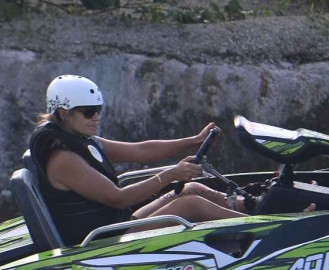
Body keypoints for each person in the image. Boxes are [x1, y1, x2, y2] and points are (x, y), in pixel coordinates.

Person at [28, 75, 248, 246]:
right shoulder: (63, 159)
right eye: (88, 112)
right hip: (103, 241)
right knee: (190, 204)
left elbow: (140, 150)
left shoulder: (81, 140)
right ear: (63, 113)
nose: (96, 117)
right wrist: (171, 174)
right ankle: (266, 231)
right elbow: (119, 199)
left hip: (116, 224)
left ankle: (256, 207)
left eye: (98, 110)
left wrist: (193, 140)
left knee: (192, 189)